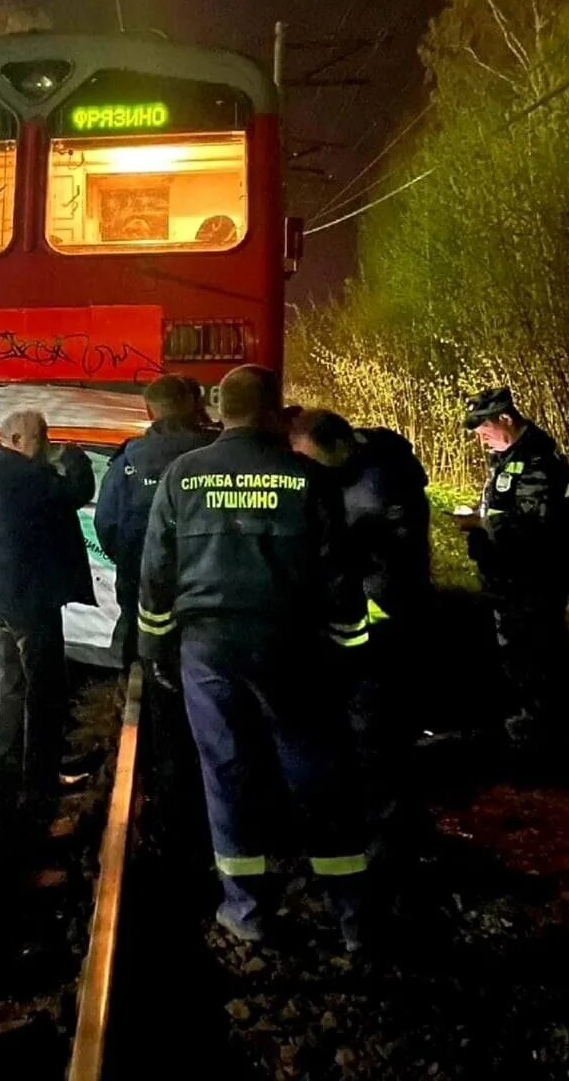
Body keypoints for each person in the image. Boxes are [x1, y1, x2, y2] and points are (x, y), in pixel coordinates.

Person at [139, 365, 371, 948]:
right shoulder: (308, 478)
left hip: (208, 649)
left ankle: (246, 911)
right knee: (318, 772)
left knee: (226, 773)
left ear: (220, 411)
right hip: (291, 646)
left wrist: (154, 645)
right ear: (274, 411)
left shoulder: (182, 475)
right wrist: (349, 652)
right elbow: (339, 578)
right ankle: (352, 915)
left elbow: (156, 573)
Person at [289, 409, 430, 832]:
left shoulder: (375, 488)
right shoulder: (367, 461)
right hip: (374, 607)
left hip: (382, 612)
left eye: (310, 458)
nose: (306, 469)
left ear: (338, 446)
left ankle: (386, 826)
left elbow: (373, 563)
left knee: (376, 722)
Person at [0, 409, 96, 809]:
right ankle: (39, 784)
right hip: (32, 601)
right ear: (14, 440)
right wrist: (75, 456)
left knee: (13, 681)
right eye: (40, 435)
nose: (46, 442)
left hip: (9, 598)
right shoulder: (24, 477)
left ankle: (6, 759)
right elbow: (76, 492)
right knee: (45, 691)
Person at [455, 387, 569, 744]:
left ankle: (543, 726)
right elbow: (502, 499)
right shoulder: (507, 453)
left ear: (506, 419)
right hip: (509, 574)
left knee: (537, 647)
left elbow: (534, 522)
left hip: (535, 575)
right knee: (516, 647)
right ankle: (528, 716)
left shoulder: (537, 456)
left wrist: (482, 524)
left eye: (484, 431)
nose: (481, 440)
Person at [95, 375, 210, 668]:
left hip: (141, 581)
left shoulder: (128, 461)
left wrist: (129, 559)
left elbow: (106, 524)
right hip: (205, 582)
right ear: (190, 404)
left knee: (137, 657)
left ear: (149, 412)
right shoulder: (214, 454)